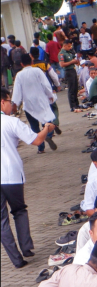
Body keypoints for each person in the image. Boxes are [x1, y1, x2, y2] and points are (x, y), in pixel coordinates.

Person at [1, 88, 56, 268]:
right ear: (2, 102)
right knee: (19, 210)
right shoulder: (11, 122)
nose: (11, 104)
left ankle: (16, 259)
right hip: (11, 175)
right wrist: (46, 128)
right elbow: (36, 140)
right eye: (9, 101)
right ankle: (26, 247)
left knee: (2, 221)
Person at [11, 54, 57, 154]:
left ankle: (40, 148)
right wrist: (50, 94)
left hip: (28, 104)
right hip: (41, 101)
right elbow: (46, 84)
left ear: (21, 64)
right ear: (32, 62)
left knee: (34, 126)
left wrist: (15, 104)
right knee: (46, 120)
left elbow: (17, 92)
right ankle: (48, 135)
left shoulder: (19, 75)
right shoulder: (37, 71)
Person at [58, 40, 80, 111]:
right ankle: (72, 105)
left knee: (75, 87)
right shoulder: (62, 54)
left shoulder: (69, 52)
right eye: (68, 46)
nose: (70, 47)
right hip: (68, 71)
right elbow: (62, 64)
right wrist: (71, 62)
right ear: (64, 45)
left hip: (73, 70)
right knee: (71, 88)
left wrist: (75, 61)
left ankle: (77, 104)